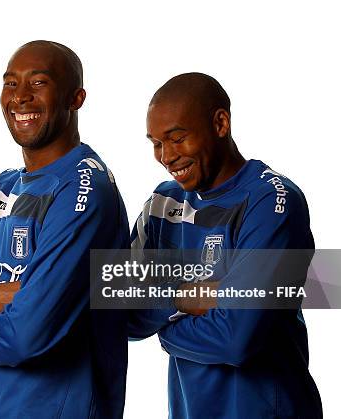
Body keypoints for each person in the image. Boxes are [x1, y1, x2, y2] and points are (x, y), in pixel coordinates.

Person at [0, 40, 129, 418]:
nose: (20, 97)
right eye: (11, 84)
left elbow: (27, 334)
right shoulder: (3, 187)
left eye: (38, 83)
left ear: (76, 98)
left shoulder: (85, 188)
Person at [130, 72, 322, 418]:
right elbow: (119, 311)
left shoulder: (272, 201)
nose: (166, 156)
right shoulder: (162, 204)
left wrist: (162, 323)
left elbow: (237, 339)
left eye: (177, 138)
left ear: (220, 123)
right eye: (156, 143)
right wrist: (185, 296)